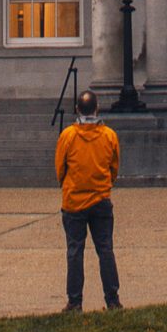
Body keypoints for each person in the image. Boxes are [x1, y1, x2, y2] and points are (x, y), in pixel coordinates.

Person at [55, 90, 123, 311]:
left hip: (74, 200)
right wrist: (104, 184)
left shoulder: (68, 135)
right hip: (101, 198)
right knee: (105, 249)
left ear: (77, 110)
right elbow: (114, 167)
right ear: (97, 108)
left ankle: (75, 301)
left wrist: (69, 184)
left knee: (75, 251)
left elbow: (59, 168)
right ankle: (112, 299)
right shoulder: (109, 135)